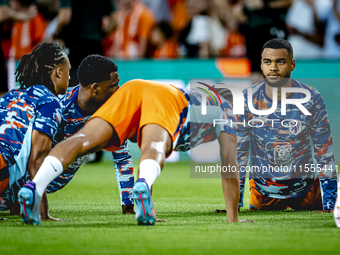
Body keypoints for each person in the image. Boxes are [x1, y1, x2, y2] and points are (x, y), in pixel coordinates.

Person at [18, 60, 246, 225]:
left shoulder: (214, 100)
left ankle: (35, 186)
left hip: (135, 87)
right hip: (168, 98)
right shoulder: (230, 113)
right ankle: (143, 185)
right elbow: (229, 164)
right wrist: (233, 218)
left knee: (82, 138)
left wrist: (142, 209)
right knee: (155, 146)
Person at [237, 38, 337, 211]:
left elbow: (324, 151)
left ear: (292, 65)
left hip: (305, 192)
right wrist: (234, 203)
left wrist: (330, 203)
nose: (273, 68)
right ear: (261, 64)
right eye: (267, 62)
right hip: (264, 194)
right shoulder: (246, 99)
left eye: (280, 62)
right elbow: (239, 153)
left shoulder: (312, 98)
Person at [46, 55, 134, 214]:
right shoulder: (56, 109)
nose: (119, 90)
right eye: (114, 85)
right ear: (95, 88)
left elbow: (122, 158)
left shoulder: (111, 114)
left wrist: (128, 207)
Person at [0, 42, 70, 220]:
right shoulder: (50, 102)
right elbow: (37, 161)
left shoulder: (10, 95)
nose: (70, 78)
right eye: (68, 71)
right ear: (58, 72)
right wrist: (43, 213)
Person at [51, 0, 116, 86]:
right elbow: (115, 22)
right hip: (95, 45)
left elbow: (65, 17)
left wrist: (56, 35)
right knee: (94, 85)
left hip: (74, 46)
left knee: (74, 86)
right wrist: (100, 35)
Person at [0, 0, 37, 95]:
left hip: (24, 59)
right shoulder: (15, 18)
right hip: (14, 58)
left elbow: (40, 39)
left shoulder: (35, 18)